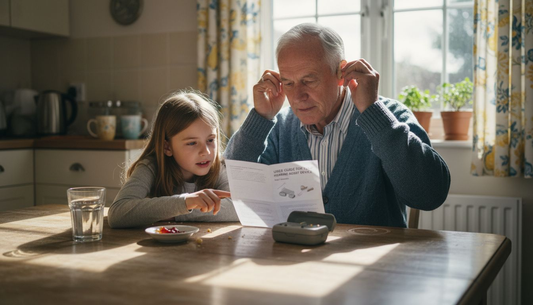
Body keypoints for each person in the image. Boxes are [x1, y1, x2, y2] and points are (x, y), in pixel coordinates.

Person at [224, 23, 451, 227]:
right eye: (288, 83)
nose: (297, 96)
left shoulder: (389, 116)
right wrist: (260, 118)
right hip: (293, 263)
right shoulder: (278, 127)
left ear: (341, 73)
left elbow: (430, 195)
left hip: (374, 268)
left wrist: (374, 113)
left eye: (309, 80)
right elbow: (231, 187)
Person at [108, 90, 238, 228]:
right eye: (192, 143)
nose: (205, 152)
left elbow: (239, 208)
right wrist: (185, 202)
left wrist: (180, 211)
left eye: (210, 140)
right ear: (167, 147)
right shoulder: (151, 167)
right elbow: (118, 214)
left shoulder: (218, 167)